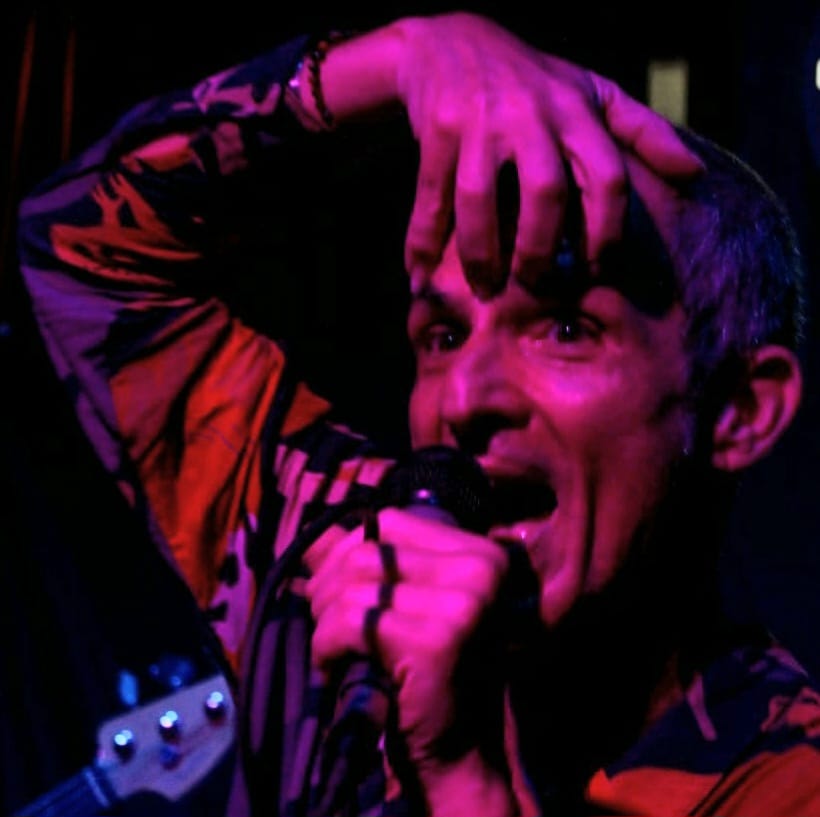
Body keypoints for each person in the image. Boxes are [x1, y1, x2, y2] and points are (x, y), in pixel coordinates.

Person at [15, 9, 820, 817]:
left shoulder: (791, 783)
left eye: (566, 328)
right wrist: (402, 57)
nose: (464, 399)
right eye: (442, 334)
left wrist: (463, 776)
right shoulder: (338, 565)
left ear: (739, 410)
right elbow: (78, 246)